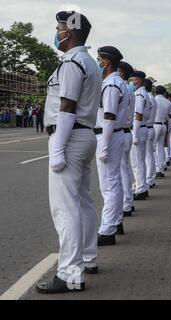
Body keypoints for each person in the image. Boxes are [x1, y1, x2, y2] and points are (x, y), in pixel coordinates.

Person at [36, 11, 100, 294]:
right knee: (83, 202)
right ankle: (88, 258)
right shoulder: (88, 63)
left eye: (59, 27)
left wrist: (58, 147)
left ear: (69, 32)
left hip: (70, 135)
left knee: (66, 207)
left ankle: (70, 274)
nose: (57, 32)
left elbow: (66, 106)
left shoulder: (73, 62)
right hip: (83, 134)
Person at [95, 46, 128, 246]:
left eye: (99, 60)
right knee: (114, 181)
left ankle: (107, 230)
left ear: (106, 62)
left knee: (108, 184)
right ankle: (115, 222)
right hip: (116, 134)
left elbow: (109, 115)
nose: (98, 63)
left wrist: (104, 145)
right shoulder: (119, 83)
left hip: (109, 135)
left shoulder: (111, 85)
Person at [118, 61, 135, 217]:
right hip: (126, 131)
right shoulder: (129, 89)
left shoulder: (117, 86)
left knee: (115, 175)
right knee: (125, 169)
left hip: (118, 132)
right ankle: (127, 201)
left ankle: (125, 205)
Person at [129, 71, 150, 201]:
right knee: (140, 160)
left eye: (135, 80)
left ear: (141, 80)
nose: (133, 82)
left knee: (136, 162)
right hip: (143, 128)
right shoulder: (144, 94)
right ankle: (142, 187)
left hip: (138, 128)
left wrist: (134, 135)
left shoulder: (138, 94)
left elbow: (138, 115)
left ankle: (140, 189)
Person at [154, 85, 171, 178]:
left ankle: (156, 168)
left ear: (155, 92)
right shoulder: (168, 102)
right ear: (164, 93)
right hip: (164, 125)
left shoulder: (153, 99)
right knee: (160, 148)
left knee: (151, 148)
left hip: (154, 125)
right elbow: (169, 116)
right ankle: (160, 168)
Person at [144, 78, 157, 190]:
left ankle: (148, 178)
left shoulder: (147, 97)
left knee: (146, 156)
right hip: (151, 127)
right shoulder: (152, 98)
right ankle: (150, 178)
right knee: (150, 155)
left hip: (146, 127)